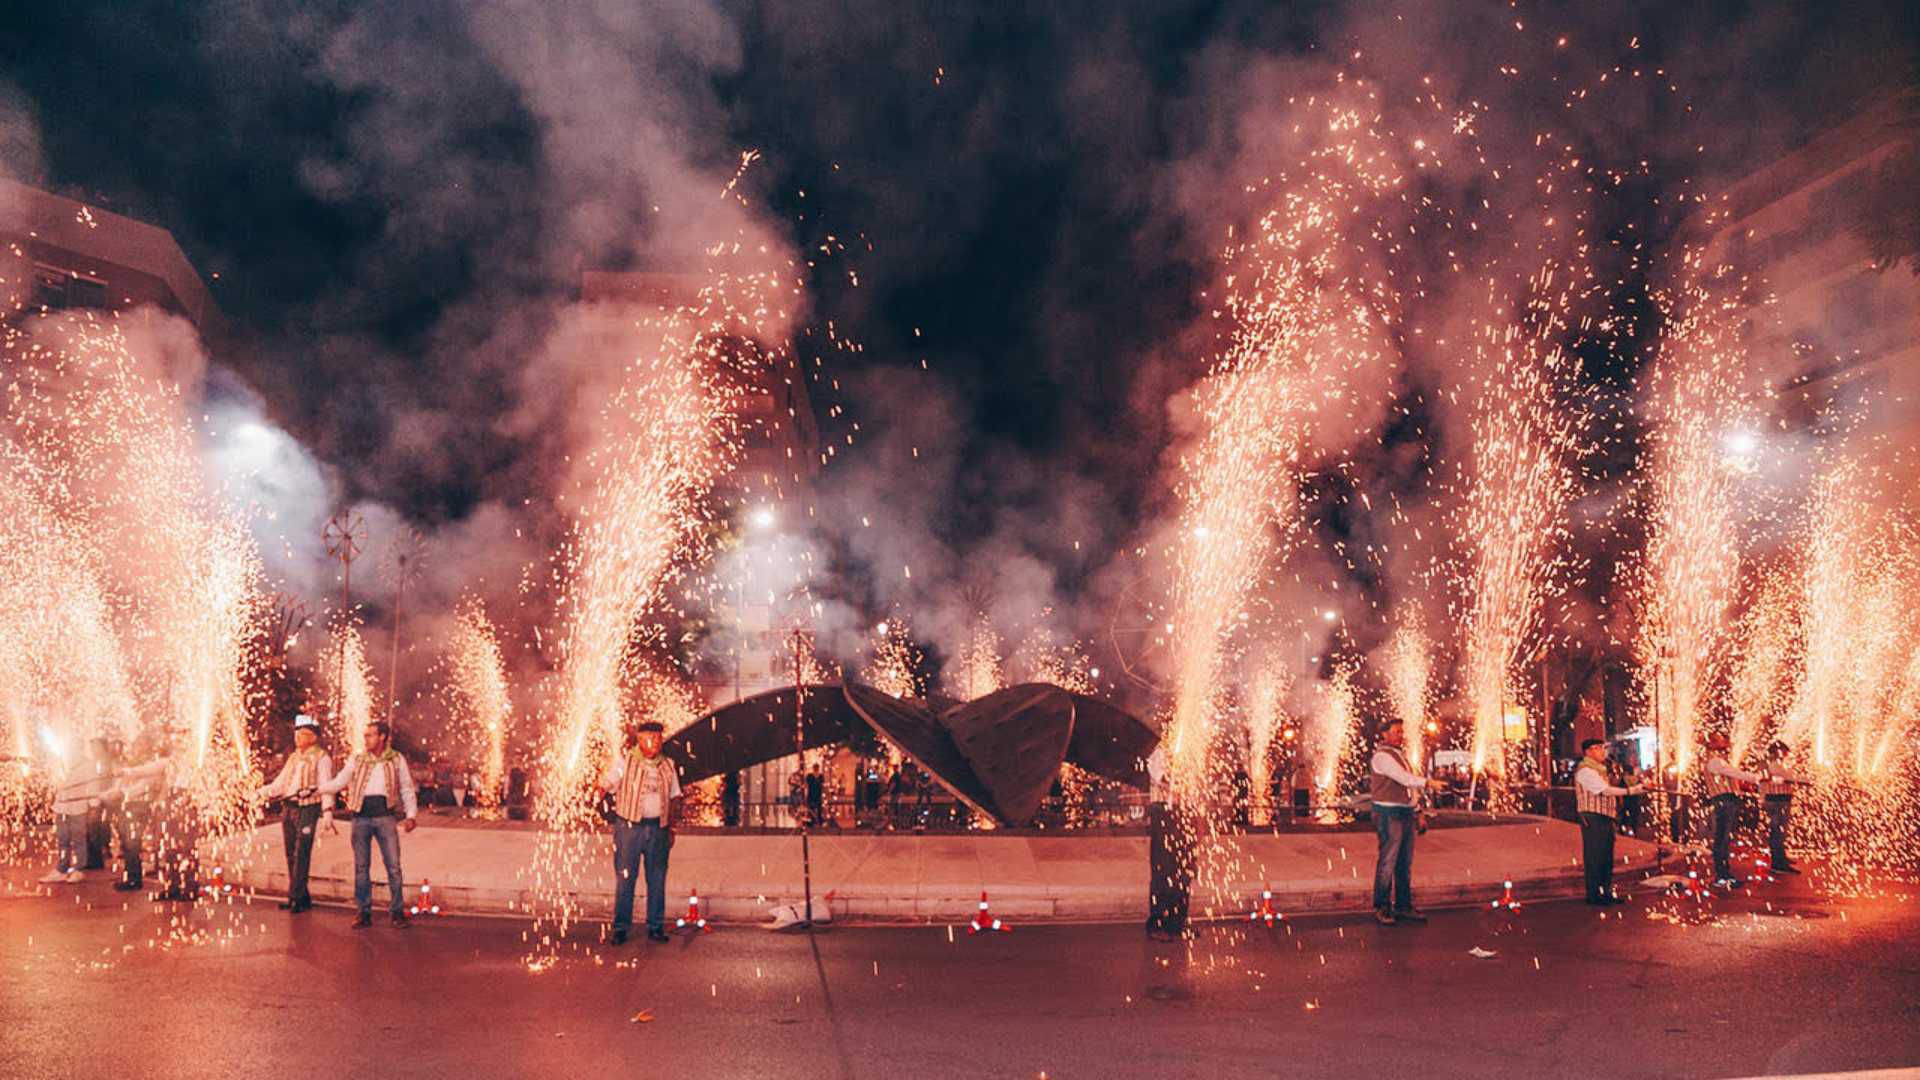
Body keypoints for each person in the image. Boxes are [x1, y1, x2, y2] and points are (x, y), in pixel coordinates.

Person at [316, 720, 418, 928]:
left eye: (371, 734)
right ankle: (363, 912)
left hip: (385, 817)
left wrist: (411, 815)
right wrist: (317, 789)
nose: (366, 738)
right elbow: (340, 781)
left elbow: (407, 788)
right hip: (360, 817)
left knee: (394, 867)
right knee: (361, 867)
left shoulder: (396, 759)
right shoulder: (358, 759)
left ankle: (397, 912)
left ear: (382, 737)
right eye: (366, 735)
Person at [599, 719, 682, 944]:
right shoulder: (624, 762)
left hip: (658, 828)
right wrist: (597, 794)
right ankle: (621, 928)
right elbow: (605, 785)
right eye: (650, 737)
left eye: (658, 738)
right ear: (639, 738)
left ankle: (655, 926)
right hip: (629, 828)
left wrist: (671, 827)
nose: (655, 742)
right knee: (626, 877)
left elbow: (675, 797)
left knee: (657, 878)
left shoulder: (668, 765)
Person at [254, 713, 335, 912]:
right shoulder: (294, 757)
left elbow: (327, 786)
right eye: (297, 734)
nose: (297, 738)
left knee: (302, 853)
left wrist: (327, 812)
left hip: (308, 808)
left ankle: (296, 897)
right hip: (289, 807)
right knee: (291, 852)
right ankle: (301, 895)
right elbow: (280, 784)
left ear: (313, 738)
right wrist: (260, 793)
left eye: (302, 734)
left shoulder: (322, 758)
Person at [1369, 721, 1446, 926]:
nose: (1399, 736)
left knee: (1404, 863)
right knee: (1388, 861)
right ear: (1384, 734)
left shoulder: (1400, 756)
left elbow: (1409, 789)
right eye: (1395, 732)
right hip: (1388, 814)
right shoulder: (1382, 757)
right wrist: (1428, 783)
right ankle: (1382, 906)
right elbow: (1403, 779)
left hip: (1404, 813)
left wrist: (1418, 811)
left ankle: (1403, 905)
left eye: (1401, 732)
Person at [1573, 738, 1646, 905]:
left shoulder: (1600, 770)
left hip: (1605, 817)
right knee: (1595, 855)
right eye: (1598, 748)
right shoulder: (1585, 771)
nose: (1602, 751)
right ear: (1588, 752)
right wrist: (1630, 791)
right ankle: (1594, 894)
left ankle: (1604, 892)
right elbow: (1604, 791)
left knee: (1606, 856)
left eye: (1602, 748)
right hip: (1593, 816)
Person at [42, 735, 117, 884]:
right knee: (63, 839)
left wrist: (94, 806)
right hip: (62, 806)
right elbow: (55, 781)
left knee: (79, 839)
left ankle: (79, 869)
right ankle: (62, 869)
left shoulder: (88, 765)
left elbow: (93, 786)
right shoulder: (61, 763)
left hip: (78, 807)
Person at [109, 735, 170, 892]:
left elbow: (144, 785)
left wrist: (122, 790)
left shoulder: (157, 765)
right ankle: (132, 876)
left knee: (132, 843)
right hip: (130, 806)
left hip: (139, 806)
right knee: (128, 843)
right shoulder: (138, 765)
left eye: (140, 745)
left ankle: (134, 879)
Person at [1701, 732, 1763, 887]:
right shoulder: (1714, 761)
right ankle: (1722, 876)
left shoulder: (1716, 760)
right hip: (1724, 801)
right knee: (1721, 839)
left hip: (1726, 801)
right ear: (1713, 743)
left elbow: (1730, 776)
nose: (1726, 742)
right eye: (1721, 739)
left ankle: (1725, 874)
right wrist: (1757, 777)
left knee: (1724, 839)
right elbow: (1734, 773)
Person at [1143, 741, 1189, 940]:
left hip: (1183, 815)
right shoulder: (1162, 751)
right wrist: (1173, 783)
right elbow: (1156, 775)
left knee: (1183, 872)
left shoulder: (1190, 750)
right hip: (1164, 813)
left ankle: (1177, 924)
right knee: (1163, 871)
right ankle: (1158, 923)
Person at [1759, 741, 1803, 874]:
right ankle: (1778, 863)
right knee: (1777, 832)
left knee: (1779, 832)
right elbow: (1790, 777)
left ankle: (1780, 857)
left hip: (1780, 801)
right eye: (1784, 751)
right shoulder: (1775, 765)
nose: (1786, 754)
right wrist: (1808, 780)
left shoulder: (1777, 764)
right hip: (1777, 801)